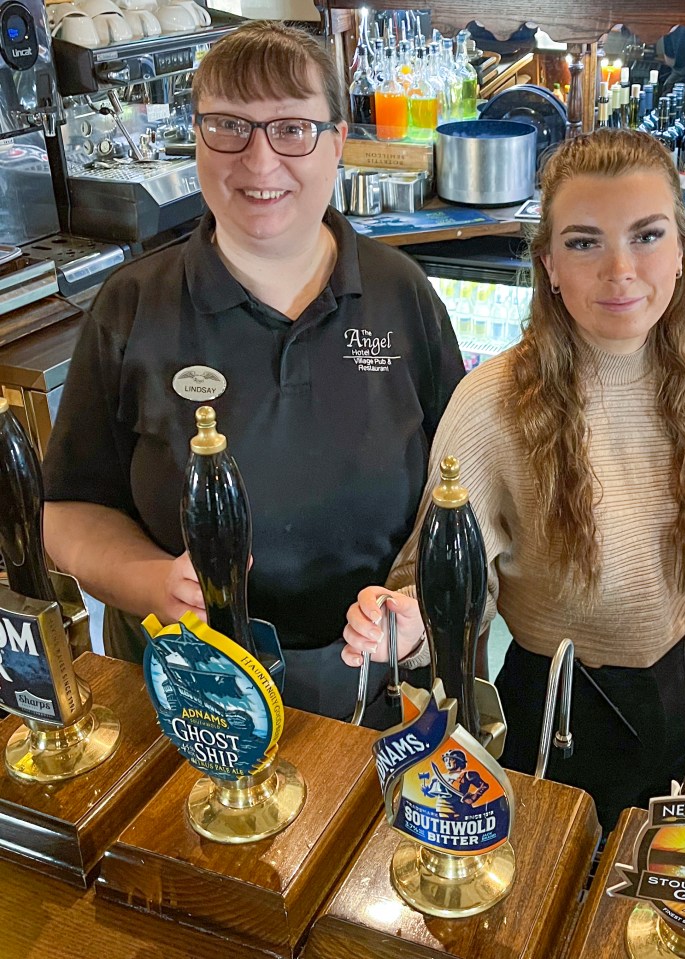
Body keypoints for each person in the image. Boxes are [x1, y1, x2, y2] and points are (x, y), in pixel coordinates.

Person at [42, 21, 464, 725]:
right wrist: (153, 582)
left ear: (337, 140)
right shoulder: (133, 305)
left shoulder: (402, 294)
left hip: (368, 688)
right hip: (187, 688)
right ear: (197, 137)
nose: (260, 162)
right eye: (229, 127)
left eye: (292, 129)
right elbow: (69, 509)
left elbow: (461, 496)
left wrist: (416, 604)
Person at [342, 129, 685, 832]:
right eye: (584, 242)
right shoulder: (494, 402)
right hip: (561, 710)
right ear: (548, 265)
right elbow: (438, 573)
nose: (620, 270)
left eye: (647, 235)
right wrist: (410, 620)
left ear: (681, 253)